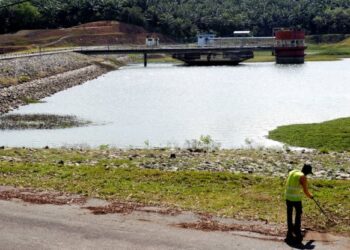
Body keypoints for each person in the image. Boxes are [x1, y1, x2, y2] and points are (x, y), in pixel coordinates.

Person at [285, 163, 313, 244]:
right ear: (307, 172)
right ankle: (297, 230)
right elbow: (305, 190)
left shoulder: (293, 172)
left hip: (287, 196)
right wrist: (311, 196)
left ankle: (290, 230)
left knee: (289, 214)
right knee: (298, 213)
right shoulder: (303, 177)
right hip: (295, 198)